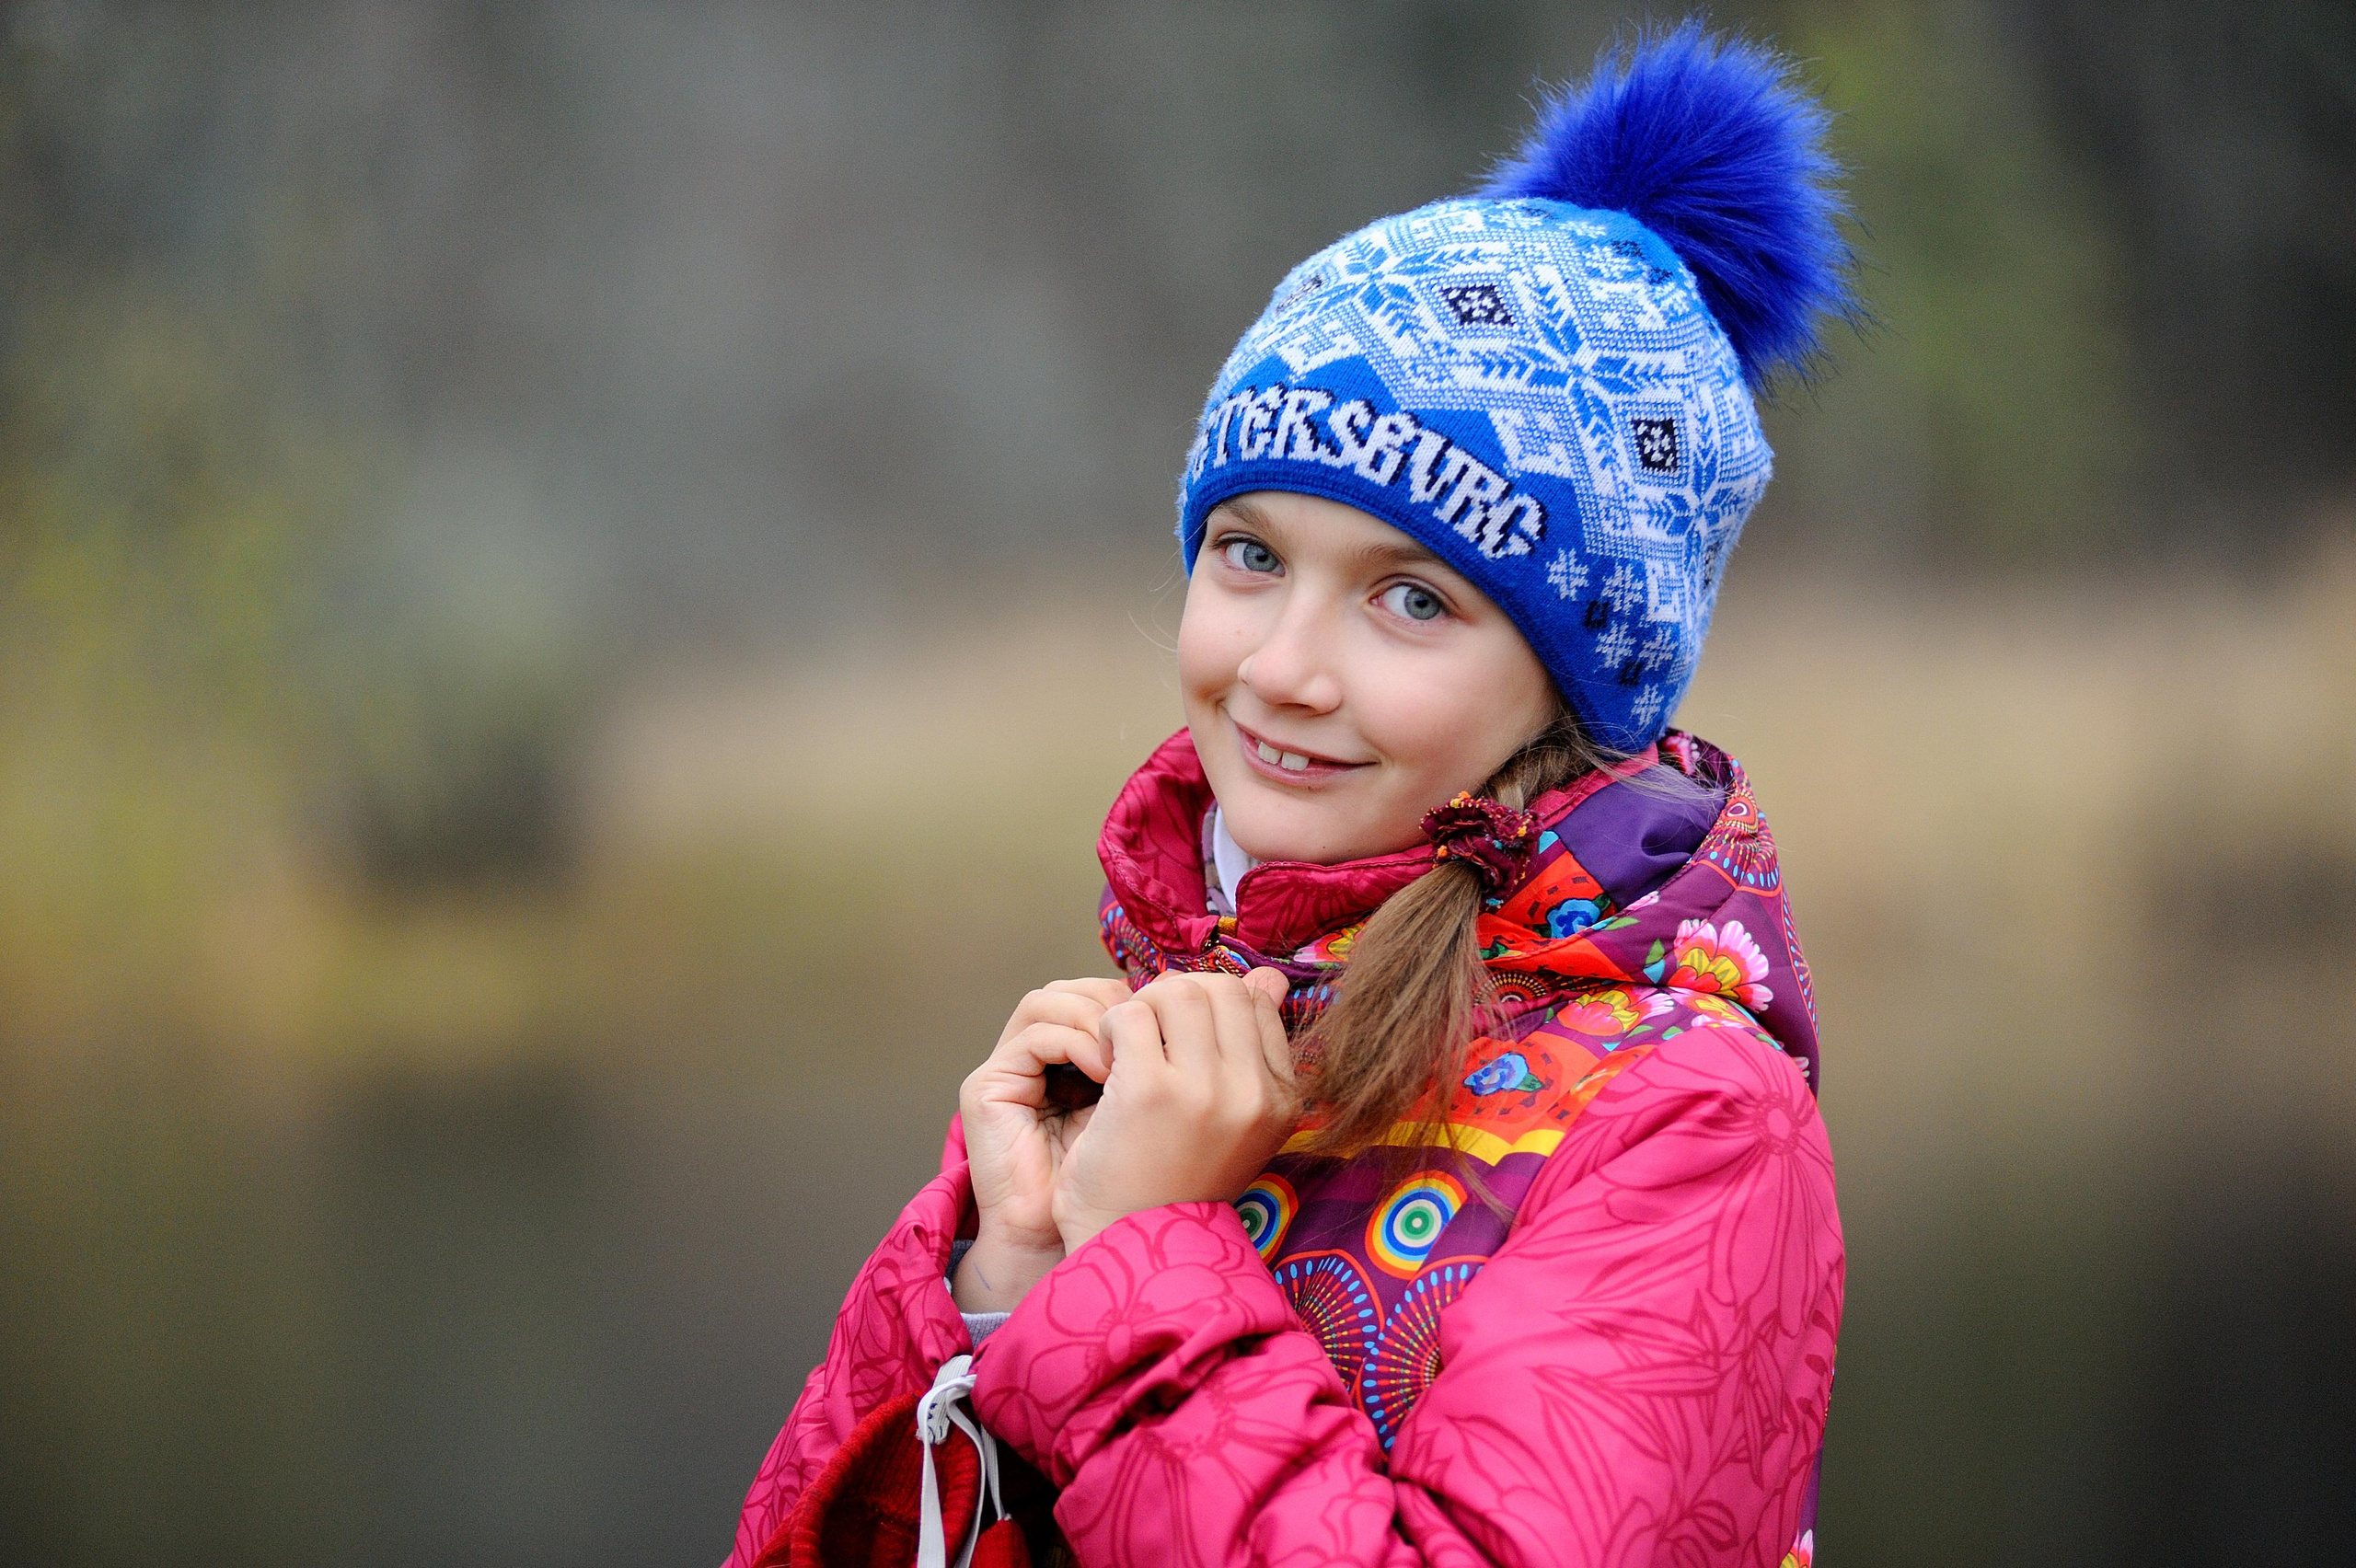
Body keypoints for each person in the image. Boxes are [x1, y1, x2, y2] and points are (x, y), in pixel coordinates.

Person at [726, 20, 1852, 1568]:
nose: (1283, 669)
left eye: (1412, 600)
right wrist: (1000, 1280)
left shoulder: (1687, 1125)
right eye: (1249, 554)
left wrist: (1138, 1262)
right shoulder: (1156, 1051)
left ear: (1575, 676)